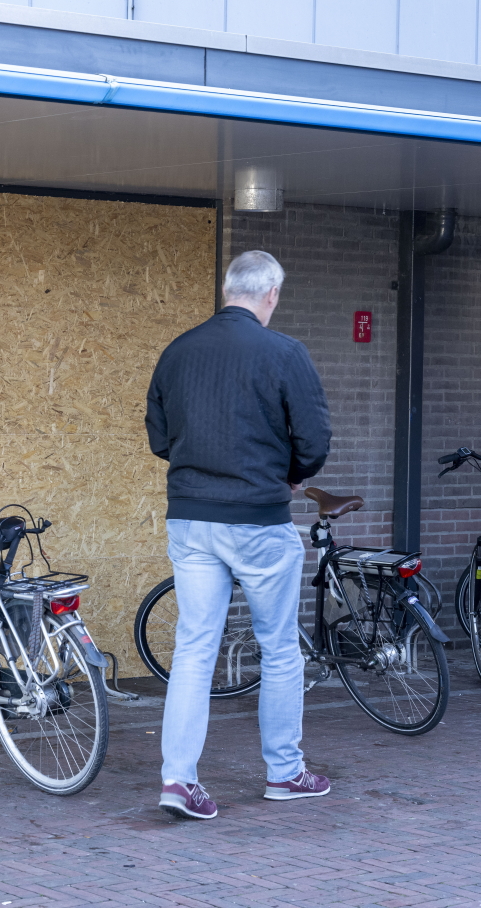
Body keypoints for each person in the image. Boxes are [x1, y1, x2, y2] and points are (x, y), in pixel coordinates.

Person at [144, 249, 332, 820]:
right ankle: (285, 773)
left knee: (195, 649)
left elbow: (158, 436)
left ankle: (178, 781)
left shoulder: (178, 351)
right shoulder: (284, 352)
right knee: (278, 649)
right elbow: (315, 439)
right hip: (257, 519)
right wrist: (291, 475)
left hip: (192, 519)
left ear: (228, 289)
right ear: (270, 294)